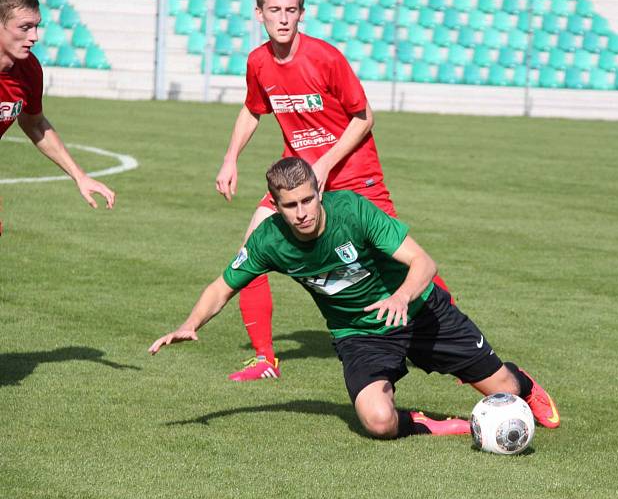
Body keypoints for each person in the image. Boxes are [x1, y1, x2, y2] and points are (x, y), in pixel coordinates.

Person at [150, 158, 561, 439]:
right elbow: (222, 285)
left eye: (308, 199)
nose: (302, 212)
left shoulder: (353, 211)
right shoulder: (269, 241)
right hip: (359, 333)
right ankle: (436, 425)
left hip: (418, 311)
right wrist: (190, 324)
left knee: (502, 389)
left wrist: (400, 297)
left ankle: (522, 382)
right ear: (275, 206)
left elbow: (423, 262)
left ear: (320, 191)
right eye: (290, 206)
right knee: (378, 422)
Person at [214, 0, 449, 382]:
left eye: (291, 10)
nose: (283, 18)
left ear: (301, 14)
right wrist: (230, 157)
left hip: (355, 175)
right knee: (251, 249)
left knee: (400, 258)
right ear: (259, 14)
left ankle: (453, 337)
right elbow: (254, 109)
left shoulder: (324, 57)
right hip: (299, 185)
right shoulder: (258, 62)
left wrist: (323, 164)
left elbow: (364, 117)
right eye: (275, 10)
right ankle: (264, 358)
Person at [0, 0, 115, 215]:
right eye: (24, 27)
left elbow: (34, 123)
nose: (34, 36)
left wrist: (79, 175)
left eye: (36, 26)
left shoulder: (29, 70)